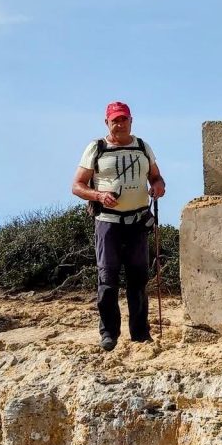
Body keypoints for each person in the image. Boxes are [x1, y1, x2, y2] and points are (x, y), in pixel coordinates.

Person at [72, 101, 166, 351]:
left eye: (123, 119)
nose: (120, 123)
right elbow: (77, 186)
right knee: (107, 279)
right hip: (108, 224)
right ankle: (109, 334)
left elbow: (156, 176)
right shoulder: (97, 148)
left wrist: (157, 186)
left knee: (138, 279)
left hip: (137, 222)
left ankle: (140, 334)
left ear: (131, 120)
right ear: (107, 122)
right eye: (115, 120)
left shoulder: (143, 147)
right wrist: (99, 196)